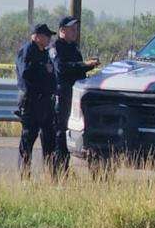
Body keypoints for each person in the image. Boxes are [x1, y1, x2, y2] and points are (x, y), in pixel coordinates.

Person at [51, 16, 100, 175]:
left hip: (76, 95)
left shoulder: (74, 47)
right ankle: (59, 171)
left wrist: (89, 66)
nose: (75, 32)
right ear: (62, 31)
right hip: (62, 94)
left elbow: (77, 70)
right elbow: (61, 69)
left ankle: (67, 170)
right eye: (71, 29)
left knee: (74, 131)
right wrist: (83, 65)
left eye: (76, 29)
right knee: (61, 133)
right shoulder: (56, 47)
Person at [15, 23, 58, 179]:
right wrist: (43, 71)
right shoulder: (27, 51)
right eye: (47, 36)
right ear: (37, 36)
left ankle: (52, 176)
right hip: (31, 102)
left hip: (45, 103)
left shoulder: (45, 53)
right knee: (28, 140)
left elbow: (52, 75)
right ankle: (24, 177)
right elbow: (26, 73)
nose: (49, 39)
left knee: (49, 140)